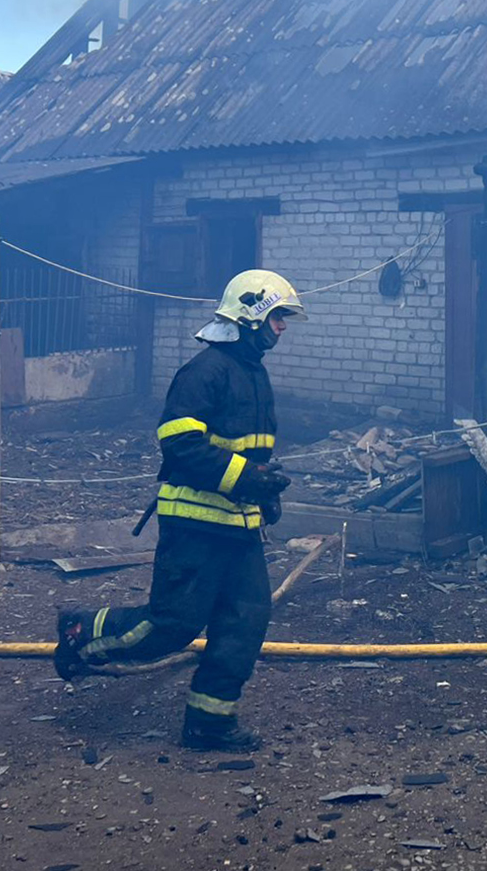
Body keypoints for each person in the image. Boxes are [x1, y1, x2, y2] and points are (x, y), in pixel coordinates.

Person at [54, 269, 306, 752]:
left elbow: (248, 452)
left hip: (239, 528)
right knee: (172, 625)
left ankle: (209, 724)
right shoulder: (204, 372)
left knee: (244, 624)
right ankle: (82, 631)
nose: (282, 326)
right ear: (250, 316)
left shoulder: (254, 374)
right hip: (194, 525)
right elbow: (180, 445)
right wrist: (247, 479)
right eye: (277, 316)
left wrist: (264, 490)